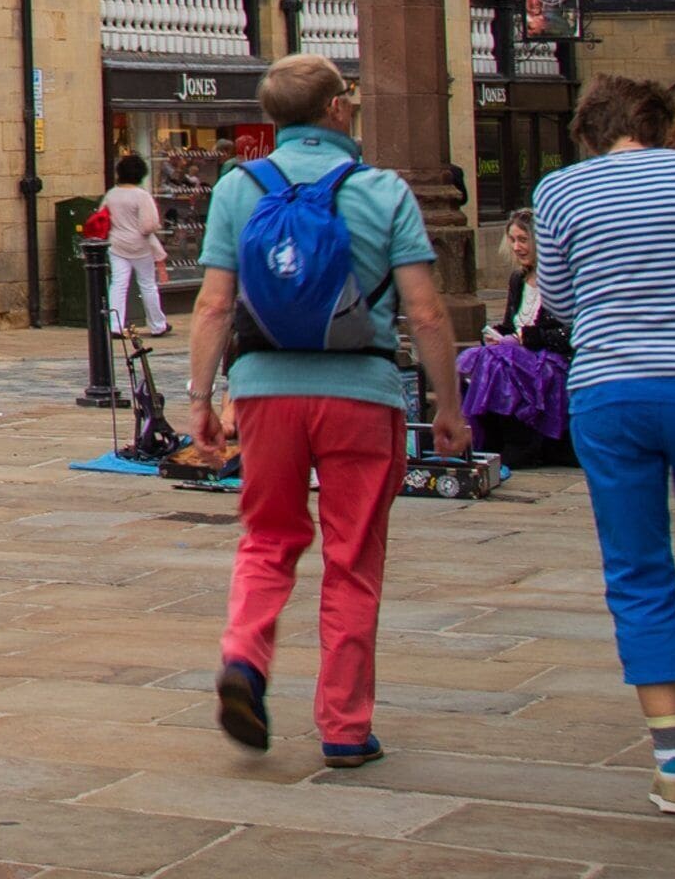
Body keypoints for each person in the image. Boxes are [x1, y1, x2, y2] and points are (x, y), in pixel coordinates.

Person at [190, 54, 469, 768]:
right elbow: (427, 312)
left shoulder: (236, 188)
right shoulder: (383, 191)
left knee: (267, 538)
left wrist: (199, 400)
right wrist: (448, 405)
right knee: (353, 560)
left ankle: (245, 661)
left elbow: (216, 303)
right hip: (362, 393)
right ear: (338, 111)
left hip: (264, 390)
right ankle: (345, 726)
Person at [529, 74, 675, 814]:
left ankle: (672, 760)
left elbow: (559, 300)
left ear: (588, 129)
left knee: (636, 569)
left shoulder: (559, 191)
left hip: (610, 392)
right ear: (657, 125)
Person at [457, 209, 574, 469]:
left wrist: (524, 338)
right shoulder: (518, 279)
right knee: (473, 359)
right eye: (512, 240)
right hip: (519, 354)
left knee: (501, 364)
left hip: (553, 358)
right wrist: (497, 335)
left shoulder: (561, 279)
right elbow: (512, 324)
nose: (517, 247)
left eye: (523, 240)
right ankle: (487, 438)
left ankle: (520, 444)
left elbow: (569, 333)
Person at [102, 154, 171, 338]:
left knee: (118, 283)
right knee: (147, 285)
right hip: (140, 246)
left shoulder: (111, 194)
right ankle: (158, 325)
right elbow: (148, 225)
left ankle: (115, 325)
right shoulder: (141, 196)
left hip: (116, 243)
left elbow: (102, 217)